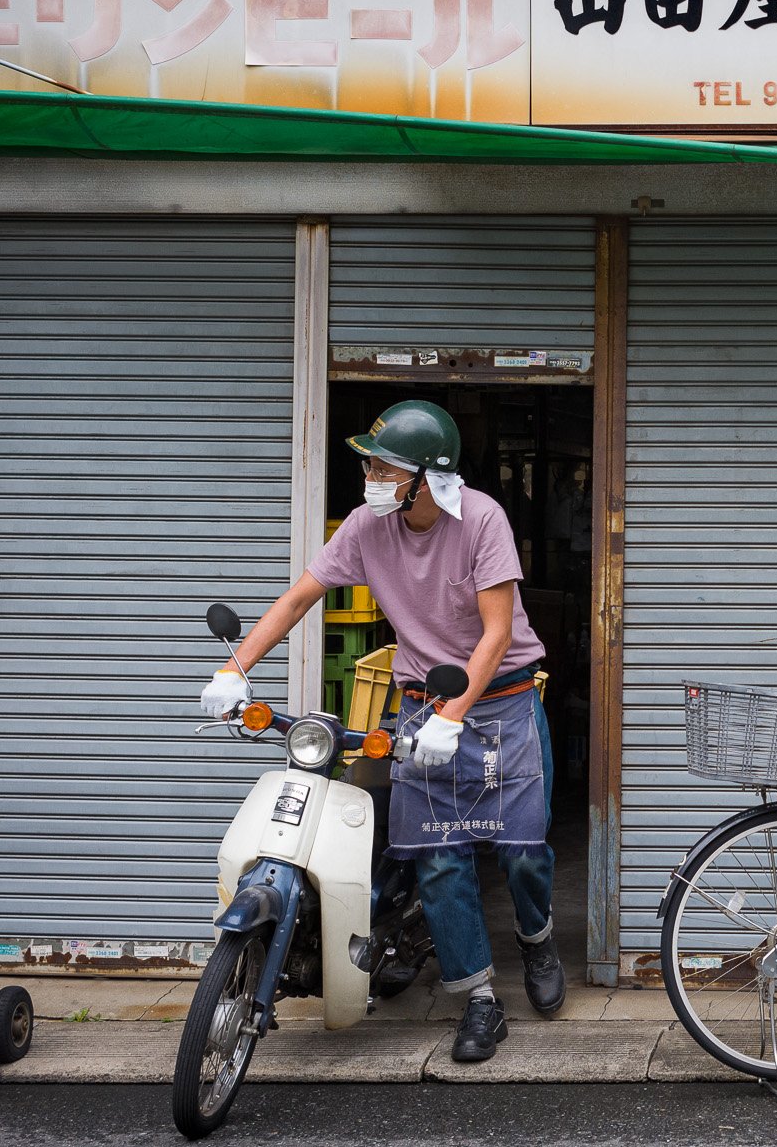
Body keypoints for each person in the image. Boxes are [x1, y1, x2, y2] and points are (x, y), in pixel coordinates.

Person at [199, 399, 563, 1063]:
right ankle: (480, 999)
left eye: (384, 466)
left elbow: (497, 633)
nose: (370, 476)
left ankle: (537, 941)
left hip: (504, 699)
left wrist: (457, 717)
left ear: (430, 477)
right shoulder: (369, 526)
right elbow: (299, 597)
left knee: (521, 850)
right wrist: (234, 668)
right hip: (424, 701)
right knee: (437, 855)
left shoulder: (482, 519)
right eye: (370, 463)